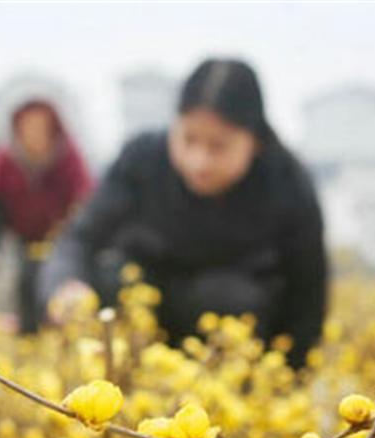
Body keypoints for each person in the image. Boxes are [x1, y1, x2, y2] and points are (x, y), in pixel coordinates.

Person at [39, 59, 328, 370]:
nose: (198, 162)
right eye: (188, 139)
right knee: (111, 278)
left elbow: (307, 296)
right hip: (142, 334)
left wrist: (288, 379)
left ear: (254, 141)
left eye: (219, 147)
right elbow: (78, 239)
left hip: (229, 351)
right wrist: (66, 286)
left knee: (231, 300)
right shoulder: (142, 158)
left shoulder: (286, 182)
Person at [0, 99, 93, 334]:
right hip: (23, 237)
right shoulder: (5, 159)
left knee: (54, 283)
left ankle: (56, 333)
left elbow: (85, 202)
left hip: (62, 239)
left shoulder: (69, 158)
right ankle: (28, 334)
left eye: (41, 127)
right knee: (23, 281)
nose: (35, 134)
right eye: (28, 127)